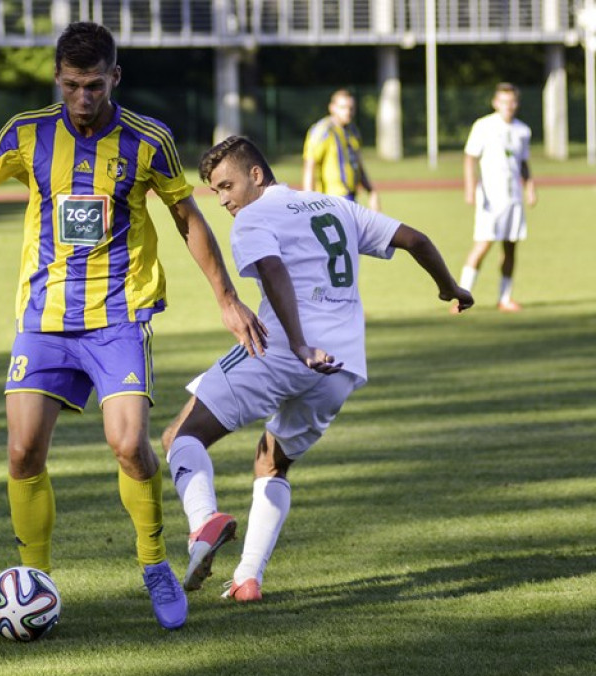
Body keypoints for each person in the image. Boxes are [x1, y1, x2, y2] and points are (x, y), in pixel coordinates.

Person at [0, 21, 266, 630]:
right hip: (44, 320)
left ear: (115, 77)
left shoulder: (149, 140)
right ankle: (33, 581)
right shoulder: (26, 132)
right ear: (57, 80)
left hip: (119, 318)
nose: (83, 99)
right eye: (71, 86)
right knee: (22, 453)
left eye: (94, 85)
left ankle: (154, 563)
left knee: (127, 445)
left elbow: (187, 217)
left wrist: (225, 299)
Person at [161, 136, 473, 603]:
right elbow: (417, 240)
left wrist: (301, 343)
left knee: (179, 437)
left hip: (283, 350)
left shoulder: (253, 218)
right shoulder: (335, 205)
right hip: (343, 367)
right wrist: (450, 287)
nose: (224, 199)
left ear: (257, 175)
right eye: (215, 192)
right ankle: (248, 578)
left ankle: (203, 520)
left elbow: (273, 271)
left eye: (227, 185)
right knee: (272, 462)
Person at [455, 82, 537, 313]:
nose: (508, 106)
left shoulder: (523, 130)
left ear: (517, 103)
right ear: (495, 103)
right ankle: (461, 297)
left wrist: (530, 187)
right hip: (491, 197)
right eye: (504, 101)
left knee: (510, 247)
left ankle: (505, 297)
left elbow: (523, 162)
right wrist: (470, 188)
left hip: (514, 198)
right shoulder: (484, 126)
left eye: (512, 101)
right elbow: (470, 157)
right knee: (482, 244)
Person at [302, 89, 380, 212]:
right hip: (330, 199)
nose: (348, 112)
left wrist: (371, 191)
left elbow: (357, 164)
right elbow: (310, 165)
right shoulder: (323, 131)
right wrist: (308, 201)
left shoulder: (353, 131)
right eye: (343, 107)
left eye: (351, 108)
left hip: (350, 196)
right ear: (332, 108)